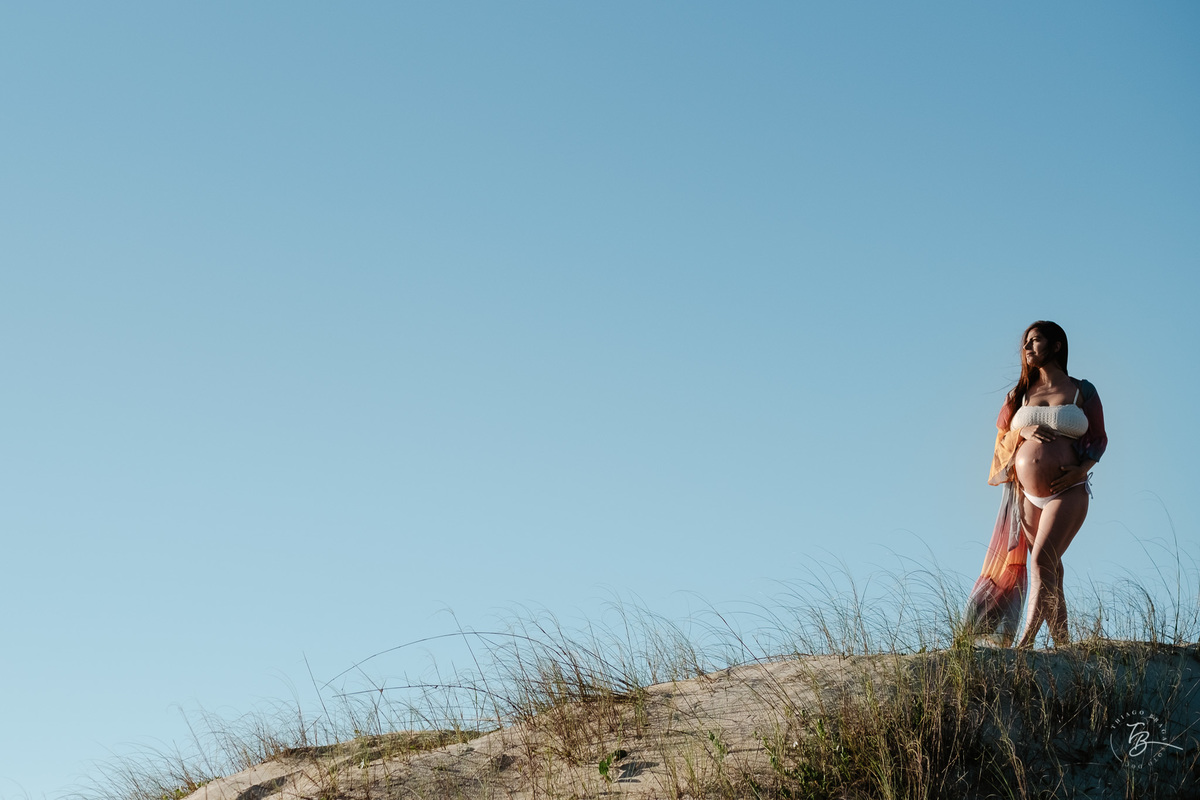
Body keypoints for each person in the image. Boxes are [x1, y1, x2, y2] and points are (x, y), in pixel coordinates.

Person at [964, 321, 1107, 647]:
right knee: (1051, 570)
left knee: (1041, 559)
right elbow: (1002, 439)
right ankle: (1064, 646)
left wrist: (1081, 471)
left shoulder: (1081, 390)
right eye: (1025, 343)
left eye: (1035, 341)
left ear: (1056, 346)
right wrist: (1022, 432)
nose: (1027, 348)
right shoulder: (1019, 395)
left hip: (1068, 489)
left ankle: (1024, 644)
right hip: (1026, 495)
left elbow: (1099, 438)